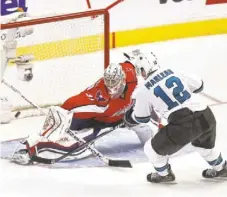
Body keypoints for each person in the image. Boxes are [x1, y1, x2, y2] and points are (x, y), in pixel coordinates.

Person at [12, 60, 156, 164]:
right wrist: (61, 114)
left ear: (123, 79)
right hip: (101, 121)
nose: (112, 89)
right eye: (108, 84)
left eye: (115, 85)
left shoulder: (131, 76)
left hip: (128, 116)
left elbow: (137, 63)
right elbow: (73, 103)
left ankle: (158, 140)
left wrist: (136, 113)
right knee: (77, 149)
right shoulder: (100, 97)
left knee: (149, 139)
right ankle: (34, 146)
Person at [124, 49, 227, 183]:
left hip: (183, 124)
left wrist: (129, 118)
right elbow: (199, 85)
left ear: (142, 69)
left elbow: (141, 118)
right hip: (206, 115)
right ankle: (221, 168)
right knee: (203, 145)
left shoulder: (142, 89)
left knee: (150, 149)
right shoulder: (172, 71)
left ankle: (164, 174)